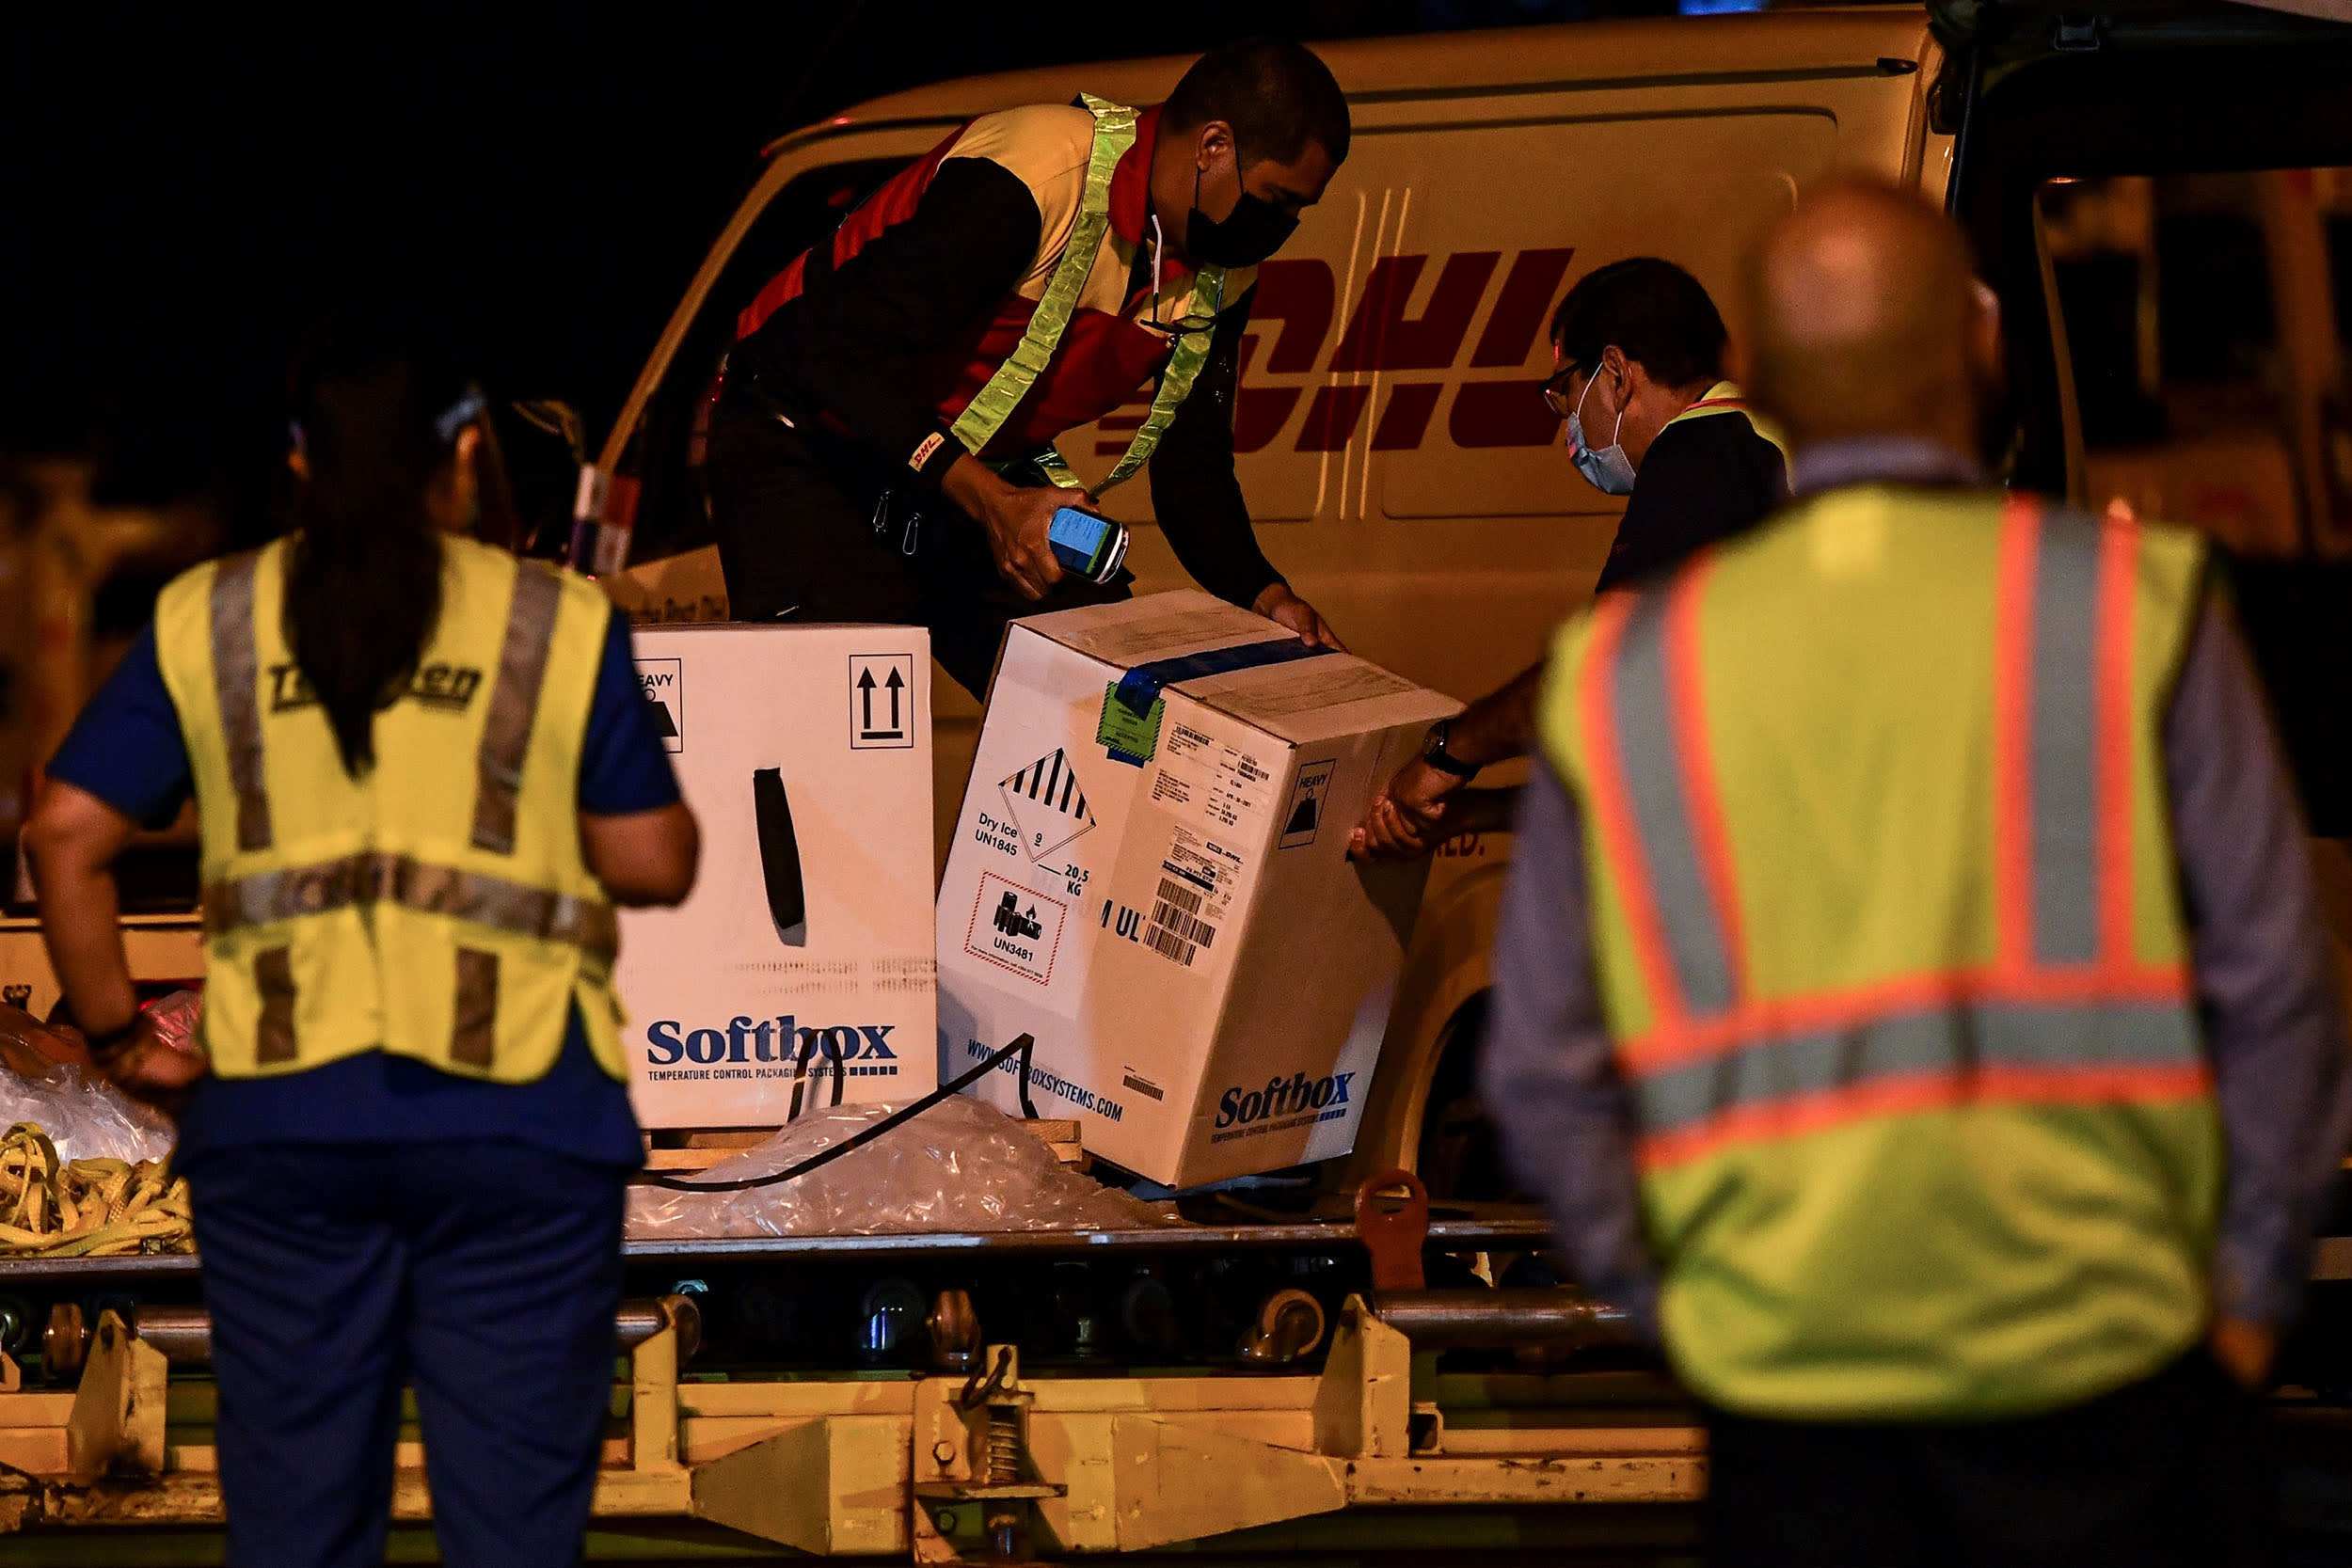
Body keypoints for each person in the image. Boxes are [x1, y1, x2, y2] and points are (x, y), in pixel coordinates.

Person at [1479, 177, 2352, 1566]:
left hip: (1798, 1378)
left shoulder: (1631, 672)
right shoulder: (2136, 609)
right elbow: (2284, 991)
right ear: (1983, 346)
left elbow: (1538, 1066)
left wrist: (1696, 1306)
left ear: (1763, 382)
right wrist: (2243, 1296)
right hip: (2112, 1365)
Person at [25, 313, 699, 1568]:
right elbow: (657, 856)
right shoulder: (550, 619)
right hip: (518, 1126)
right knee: (513, 1531)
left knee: (297, 1528)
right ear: (462, 456)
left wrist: (116, 1031)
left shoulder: (210, 618)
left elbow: (65, 832)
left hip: (284, 1134)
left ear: (298, 464)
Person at [707, 37, 1349, 697]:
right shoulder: (1038, 172)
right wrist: (995, 503)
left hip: (952, 465)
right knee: (834, 732)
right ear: (1213, 145)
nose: (1282, 226)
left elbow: (1193, 468)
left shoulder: (1224, 274)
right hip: (810, 430)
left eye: (1300, 210)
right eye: (1276, 199)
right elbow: (834, 351)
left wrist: (1264, 593)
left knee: (1114, 700)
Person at [1352, 258, 1786, 859]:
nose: (1568, 433)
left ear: (1614, 374)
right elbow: (1656, 766)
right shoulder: (1763, 444)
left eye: (1565, 395)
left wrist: (1447, 754)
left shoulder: (1699, 454)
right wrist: (1473, 813)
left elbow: (1598, 683)